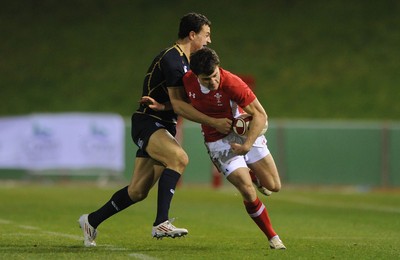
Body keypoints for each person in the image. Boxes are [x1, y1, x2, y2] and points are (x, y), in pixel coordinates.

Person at [78, 13, 232, 247]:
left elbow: (178, 102)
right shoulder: (172, 58)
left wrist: (165, 105)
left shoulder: (187, 62)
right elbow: (181, 104)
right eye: (206, 35)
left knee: (138, 191)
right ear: (192, 34)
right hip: (148, 122)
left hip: (162, 124)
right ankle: (161, 222)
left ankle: (91, 220)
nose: (209, 40)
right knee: (179, 158)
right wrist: (213, 121)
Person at [175, 47, 286, 249]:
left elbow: (260, 115)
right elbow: (178, 104)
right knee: (246, 188)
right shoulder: (186, 81)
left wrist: (247, 145)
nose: (214, 82)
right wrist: (212, 122)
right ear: (196, 76)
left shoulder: (232, 83)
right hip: (218, 141)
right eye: (207, 79)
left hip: (244, 133)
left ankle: (255, 175)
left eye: (215, 75)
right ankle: (273, 237)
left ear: (219, 68)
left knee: (274, 186)